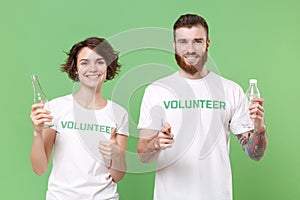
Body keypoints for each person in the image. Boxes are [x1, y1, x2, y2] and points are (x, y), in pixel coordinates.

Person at [137, 14, 268, 200]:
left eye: (197, 41)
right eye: (183, 42)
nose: (190, 49)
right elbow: (143, 156)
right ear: (174, 46)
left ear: (207, 43)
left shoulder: (231, 90)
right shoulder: (157, 91)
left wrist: (259, 129)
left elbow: (254, 154)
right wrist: (155, 143)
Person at [30, 37, 128, 200]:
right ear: (75, 68)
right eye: (84, 62)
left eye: (100, 62)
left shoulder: (119, 113)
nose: (93, 68)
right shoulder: (56, 108)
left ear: (108, 67)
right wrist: (37, 132)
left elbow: (118, 176)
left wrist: (116, 155)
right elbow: (39, 168)